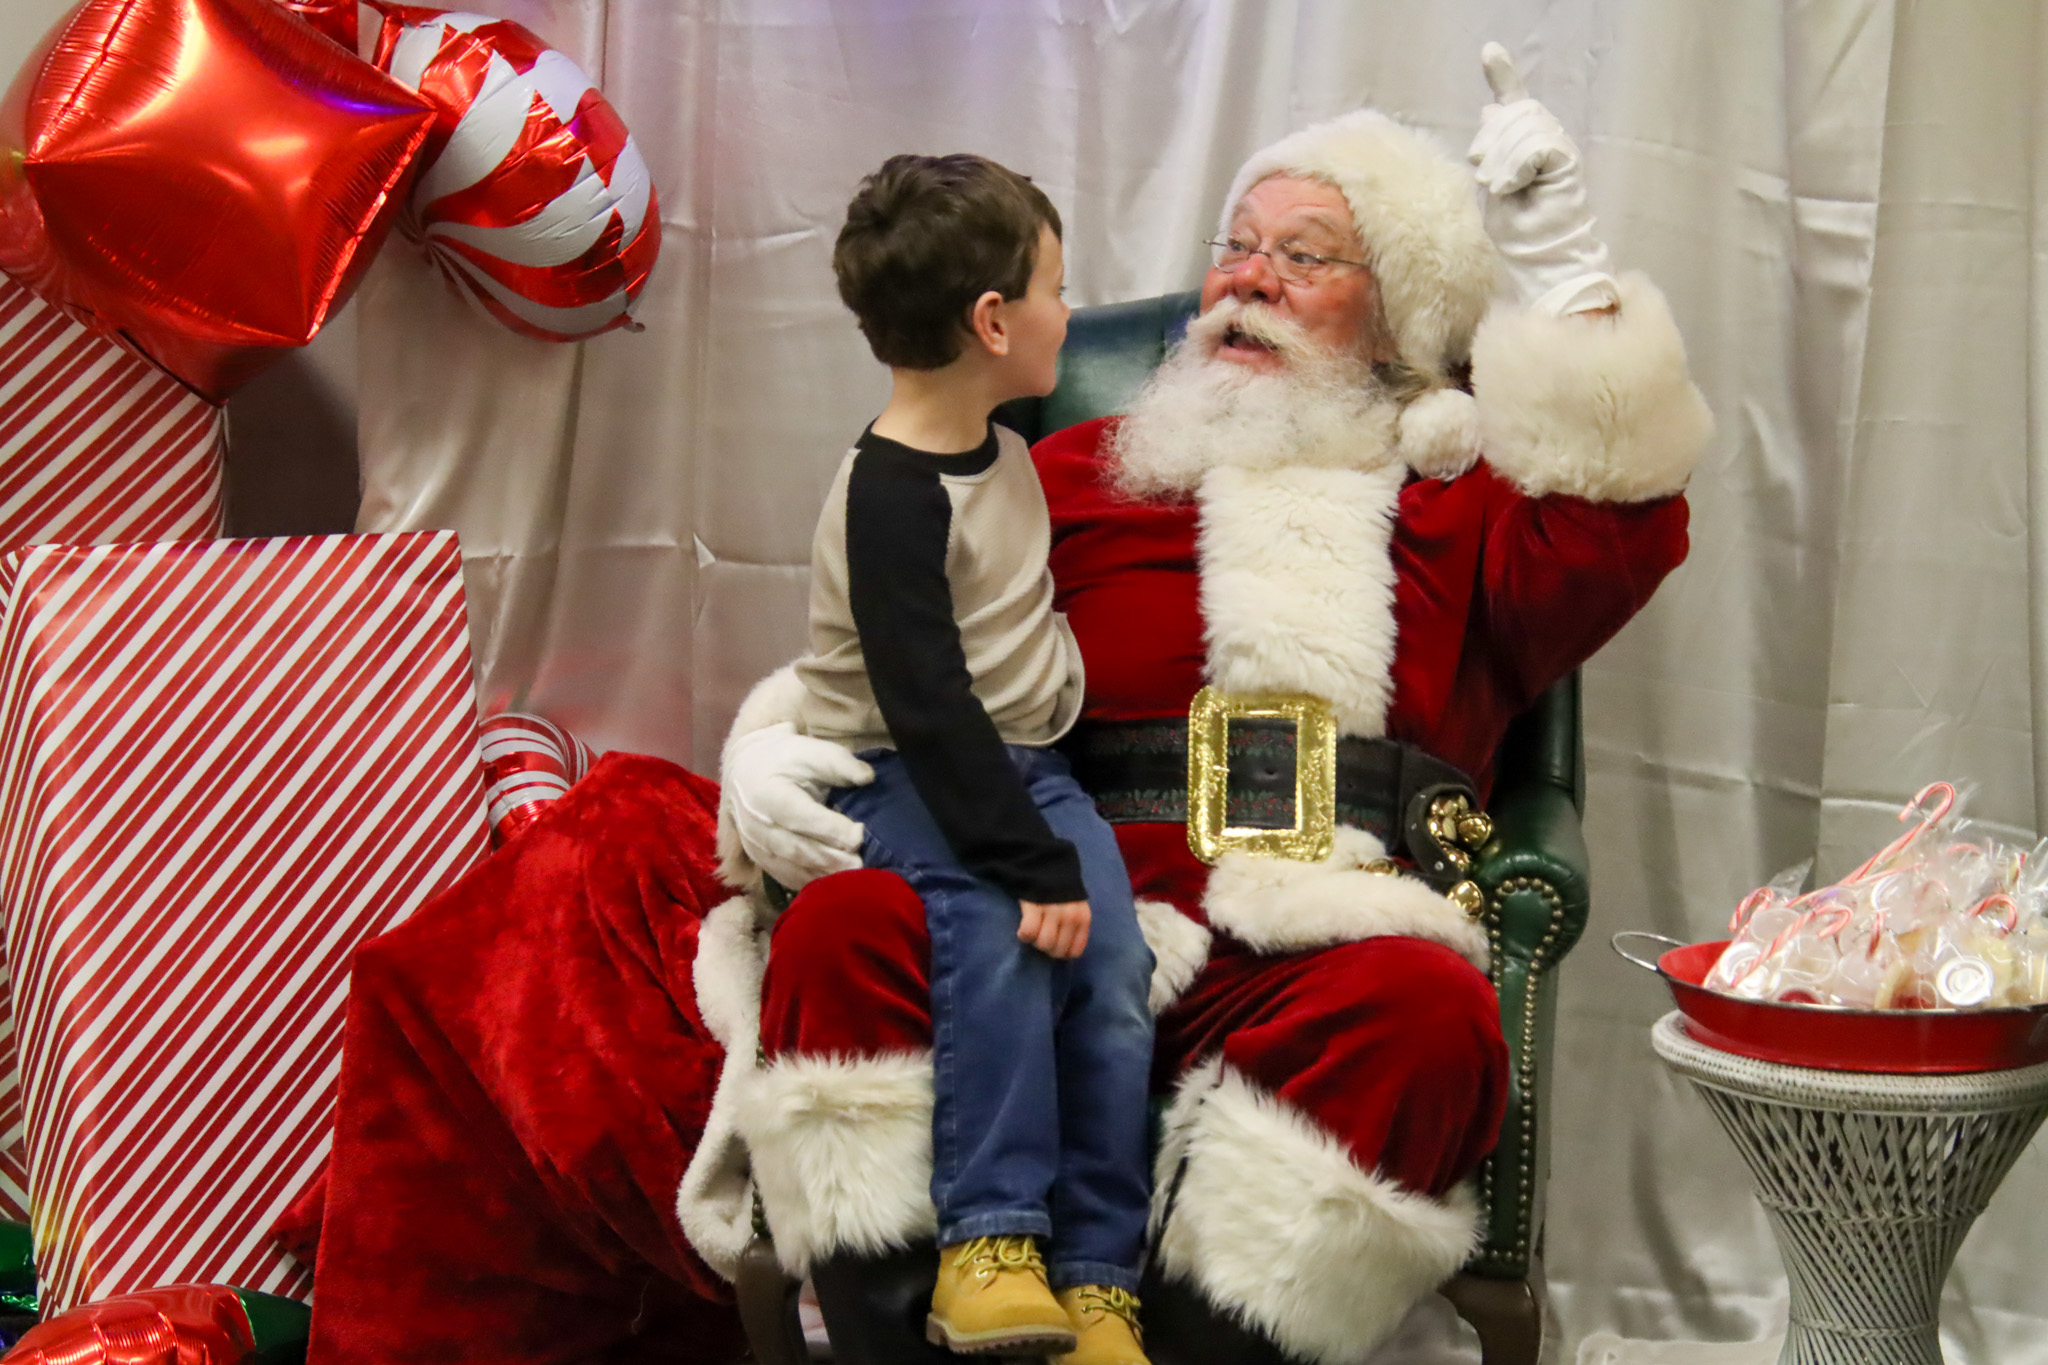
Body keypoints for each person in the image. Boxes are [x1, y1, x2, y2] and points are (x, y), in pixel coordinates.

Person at [697, 44, 1712, 1364]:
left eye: (1303, 256)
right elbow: (895, 646)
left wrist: (1569, 273)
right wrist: (776, 750)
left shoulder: (1468, 506)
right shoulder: (1059, 470)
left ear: (1398, 312)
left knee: (1428, 1016)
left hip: (1303, 943)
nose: (1245, 279)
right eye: (1238, 247)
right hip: (1041, 905)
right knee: (848, 930)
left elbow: (1616, 516)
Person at [794, 152, 1155, 1364]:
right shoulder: (887, 496)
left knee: (1111, 966)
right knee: (1001, 936)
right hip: (907, 771)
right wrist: (1027, 862)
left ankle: (1098, 1272)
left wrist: (1056, 845)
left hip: (1026, 776)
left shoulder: (1002, 445)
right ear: (993, 322)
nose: (1070, 311)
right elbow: (929, 711)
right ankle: (988, 1242)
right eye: (1055, 288)